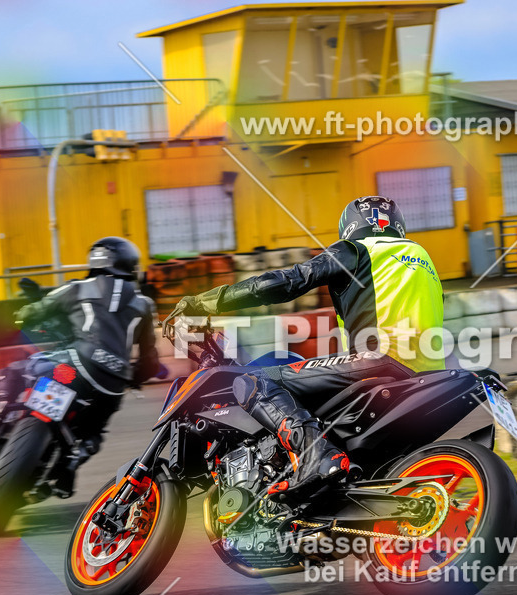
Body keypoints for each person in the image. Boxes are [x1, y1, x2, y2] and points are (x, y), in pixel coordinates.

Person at [166, 196, 444, 502]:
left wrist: (205, 302)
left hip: (376, 362)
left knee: (249, 380)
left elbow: (285, 282)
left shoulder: (355, 250)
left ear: (349, 226)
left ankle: (315, 457)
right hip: (425, 373)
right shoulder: (423, 258)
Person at [0, 237, 160, 493]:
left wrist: (22, 315)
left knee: (14, 371)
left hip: (75, 366)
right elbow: (150, 359)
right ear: (130, 265)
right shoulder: (144, 305)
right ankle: (69, 465)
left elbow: (33, 312)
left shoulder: (77, 288)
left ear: (95, 261)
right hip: (111, 386)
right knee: (94, 431)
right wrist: (134, 377)